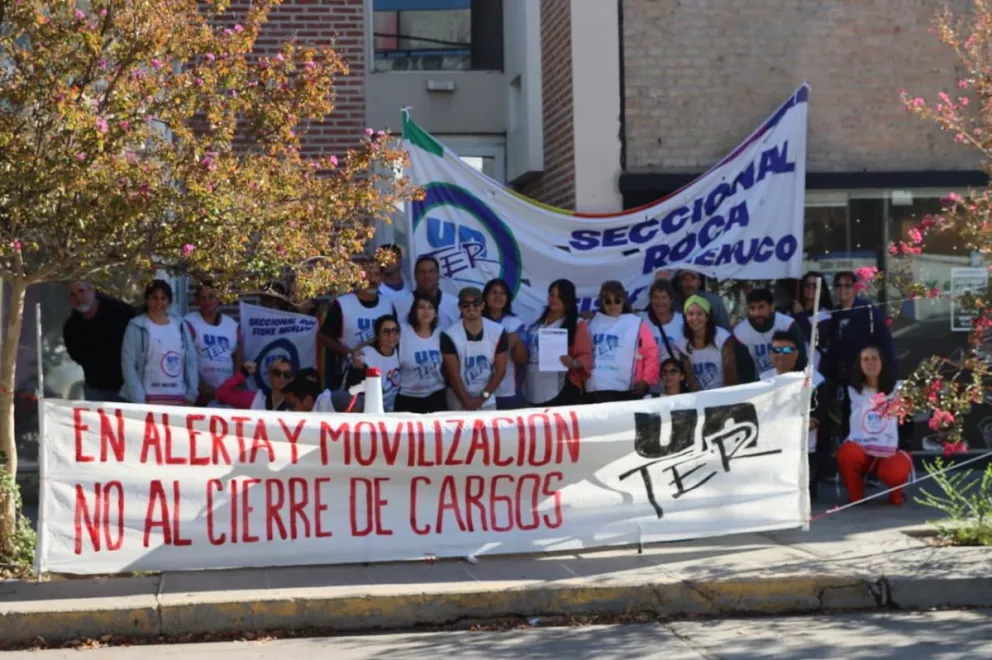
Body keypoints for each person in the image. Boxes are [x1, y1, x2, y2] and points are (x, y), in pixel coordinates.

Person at [833, 346, 912, 505]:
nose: (870, 363)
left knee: (896, 467)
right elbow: (844, 425)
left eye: (874, 358)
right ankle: (856, 495)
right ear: (860, 364)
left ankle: (896, 495)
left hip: (889, 451)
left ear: (883, 362)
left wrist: (896, 447)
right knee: (847, 453)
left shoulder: (899, 389)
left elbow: (908, 425)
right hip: (862, 451)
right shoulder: (852, 391)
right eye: (865, 359)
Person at [761, 331, 826, 500]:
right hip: (771, 450)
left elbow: (816, 418)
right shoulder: (762, 381)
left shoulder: (815, 381)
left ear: (797, 353)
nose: (780, 355)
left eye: (787, 351)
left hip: (804, 452)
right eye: (776, 350)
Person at [318, 260, 394, 390]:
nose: (372, 279)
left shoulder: (388, 304)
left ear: (381, 278)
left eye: (376, 275)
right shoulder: (342, 304)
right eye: (367, 275)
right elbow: (324, 336)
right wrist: (348, 354)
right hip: (352, 372)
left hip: (383, 372)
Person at [120, 280, 198, 405]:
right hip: (147, 399)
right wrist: (138, 399)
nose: (159, 302)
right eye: (154, 298)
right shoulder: (136, 326)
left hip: (179, 398)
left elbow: (191, 360)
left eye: (163, 298)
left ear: (169, 301)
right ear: (147, 300)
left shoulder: (180, 325)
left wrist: (191, 394)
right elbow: (128, 364)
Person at [585, 281, 659, 403]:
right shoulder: (592, 322)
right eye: (608, 301)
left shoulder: (636, 323)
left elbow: (651, 353)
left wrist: (646, 381)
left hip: (624, 390)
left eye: (617, 300)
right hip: (594, 389)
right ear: (602, 302)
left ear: (623, 300)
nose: (612, 305)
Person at [523, 279, 592, 407]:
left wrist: (573, 362)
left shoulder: (577, 323)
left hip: (560, 386)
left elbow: (585, 355)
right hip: (532, 384)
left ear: (568, 299)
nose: (554, 299)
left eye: (560, 296)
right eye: (552, 295)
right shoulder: (537, 318)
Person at [63, 281, 135, 402]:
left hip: (124, 387)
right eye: (73, 294)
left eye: (81, 291)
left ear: (92, 290)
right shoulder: (71, 326)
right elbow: (76, 355)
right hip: (95, 388)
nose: (78, 297)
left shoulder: (119, 312)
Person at [823, 270, 896, 387]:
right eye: (838, 285)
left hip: (864, 376)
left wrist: (889, 375)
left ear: (856, 288)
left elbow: (885, 343)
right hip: (839, 377)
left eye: (847, 285)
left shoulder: (868, 311)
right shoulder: (833, 314)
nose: (843, 288)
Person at [441, 287, 508, 411]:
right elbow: (453, 375)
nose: (471, 308)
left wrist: (482, 398)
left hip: (486, 395)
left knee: (488, 430)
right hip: (457, 395)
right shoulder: (449, 334)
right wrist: (466, 401)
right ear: (460, 308)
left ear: (483, 305)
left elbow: (500, 371)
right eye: (466, 305)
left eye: (475, 304)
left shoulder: (497, 331)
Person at [185, 282, 241, 406]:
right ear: (197, 300)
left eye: (211, 297)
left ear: (218, 298)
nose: (207, 301)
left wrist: (235, 382)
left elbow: (238, 353)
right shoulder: (189, 322)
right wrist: (199, 385)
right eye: (203, 298)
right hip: (201, 394)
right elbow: (185, 357)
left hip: (227, 393)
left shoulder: (231, 324)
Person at [733, 288, 806, 381]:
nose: (757, 313)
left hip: (788, 379)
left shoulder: (787, 325)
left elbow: (800, 360)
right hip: (760, 383)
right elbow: (745, 371)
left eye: (761, 307)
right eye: (752, 308)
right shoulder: (740, 332)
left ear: (771, 307)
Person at [395, 294, 447, 413]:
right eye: (421, 307)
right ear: (414, 311)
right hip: (407, 397)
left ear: (436, 313)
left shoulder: (441, 334)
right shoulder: (402, 331)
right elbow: (379, 339)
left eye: (430, 307)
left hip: (436, 396)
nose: (426, 311)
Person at [677, 295, 740, 391]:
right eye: (690, 314)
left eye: (699, 314)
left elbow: (730, 374)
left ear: (707, 317)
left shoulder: (723, 337)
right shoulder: (682, 343)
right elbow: (690, 379)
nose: (695, 318)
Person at [482, 279, 528, 409]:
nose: (498, 296)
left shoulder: (515, 323)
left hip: (508, 392)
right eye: (494, 292)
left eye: (502, 293)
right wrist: (507, 340)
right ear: (485, 296)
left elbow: (522, 359)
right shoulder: (476, 321)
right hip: (480, 391)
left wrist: (517, 340)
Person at [347, 315, 401, 412]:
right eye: (386, 331)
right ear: (378, 335)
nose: (391, 334)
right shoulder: (364, 357)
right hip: (366, 409)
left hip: (391, 410)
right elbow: (354, 395)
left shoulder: (401, 351)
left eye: (395, 330)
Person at [392, 255, 460, 329]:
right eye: (422, 272)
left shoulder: (455, 304)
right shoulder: (399, 306)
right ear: (415, 275)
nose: (427, 276)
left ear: (438, 275)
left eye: (431, 271)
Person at [641, 279, 684, 395]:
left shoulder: (682, 321)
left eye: (664, 297)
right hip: (648, 383)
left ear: (671, 300)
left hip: (673, 382)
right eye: (656, 297)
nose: (659, 302)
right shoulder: (640, 319)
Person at [791, 271, 833, 371]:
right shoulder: (790, 312)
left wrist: (801, 315)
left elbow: (815, 339)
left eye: (815, 286)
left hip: (815, 369)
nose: (811, 289)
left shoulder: (826, 315)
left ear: (822, 289)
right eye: (807, 285)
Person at [215, 359, 293, 411]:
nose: (281, 377)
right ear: (270, 375)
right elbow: (222, 394)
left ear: (292, 378)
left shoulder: (299, 403)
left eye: (287, 374)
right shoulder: (256, 399)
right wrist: (243, 374)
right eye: (277, 373)